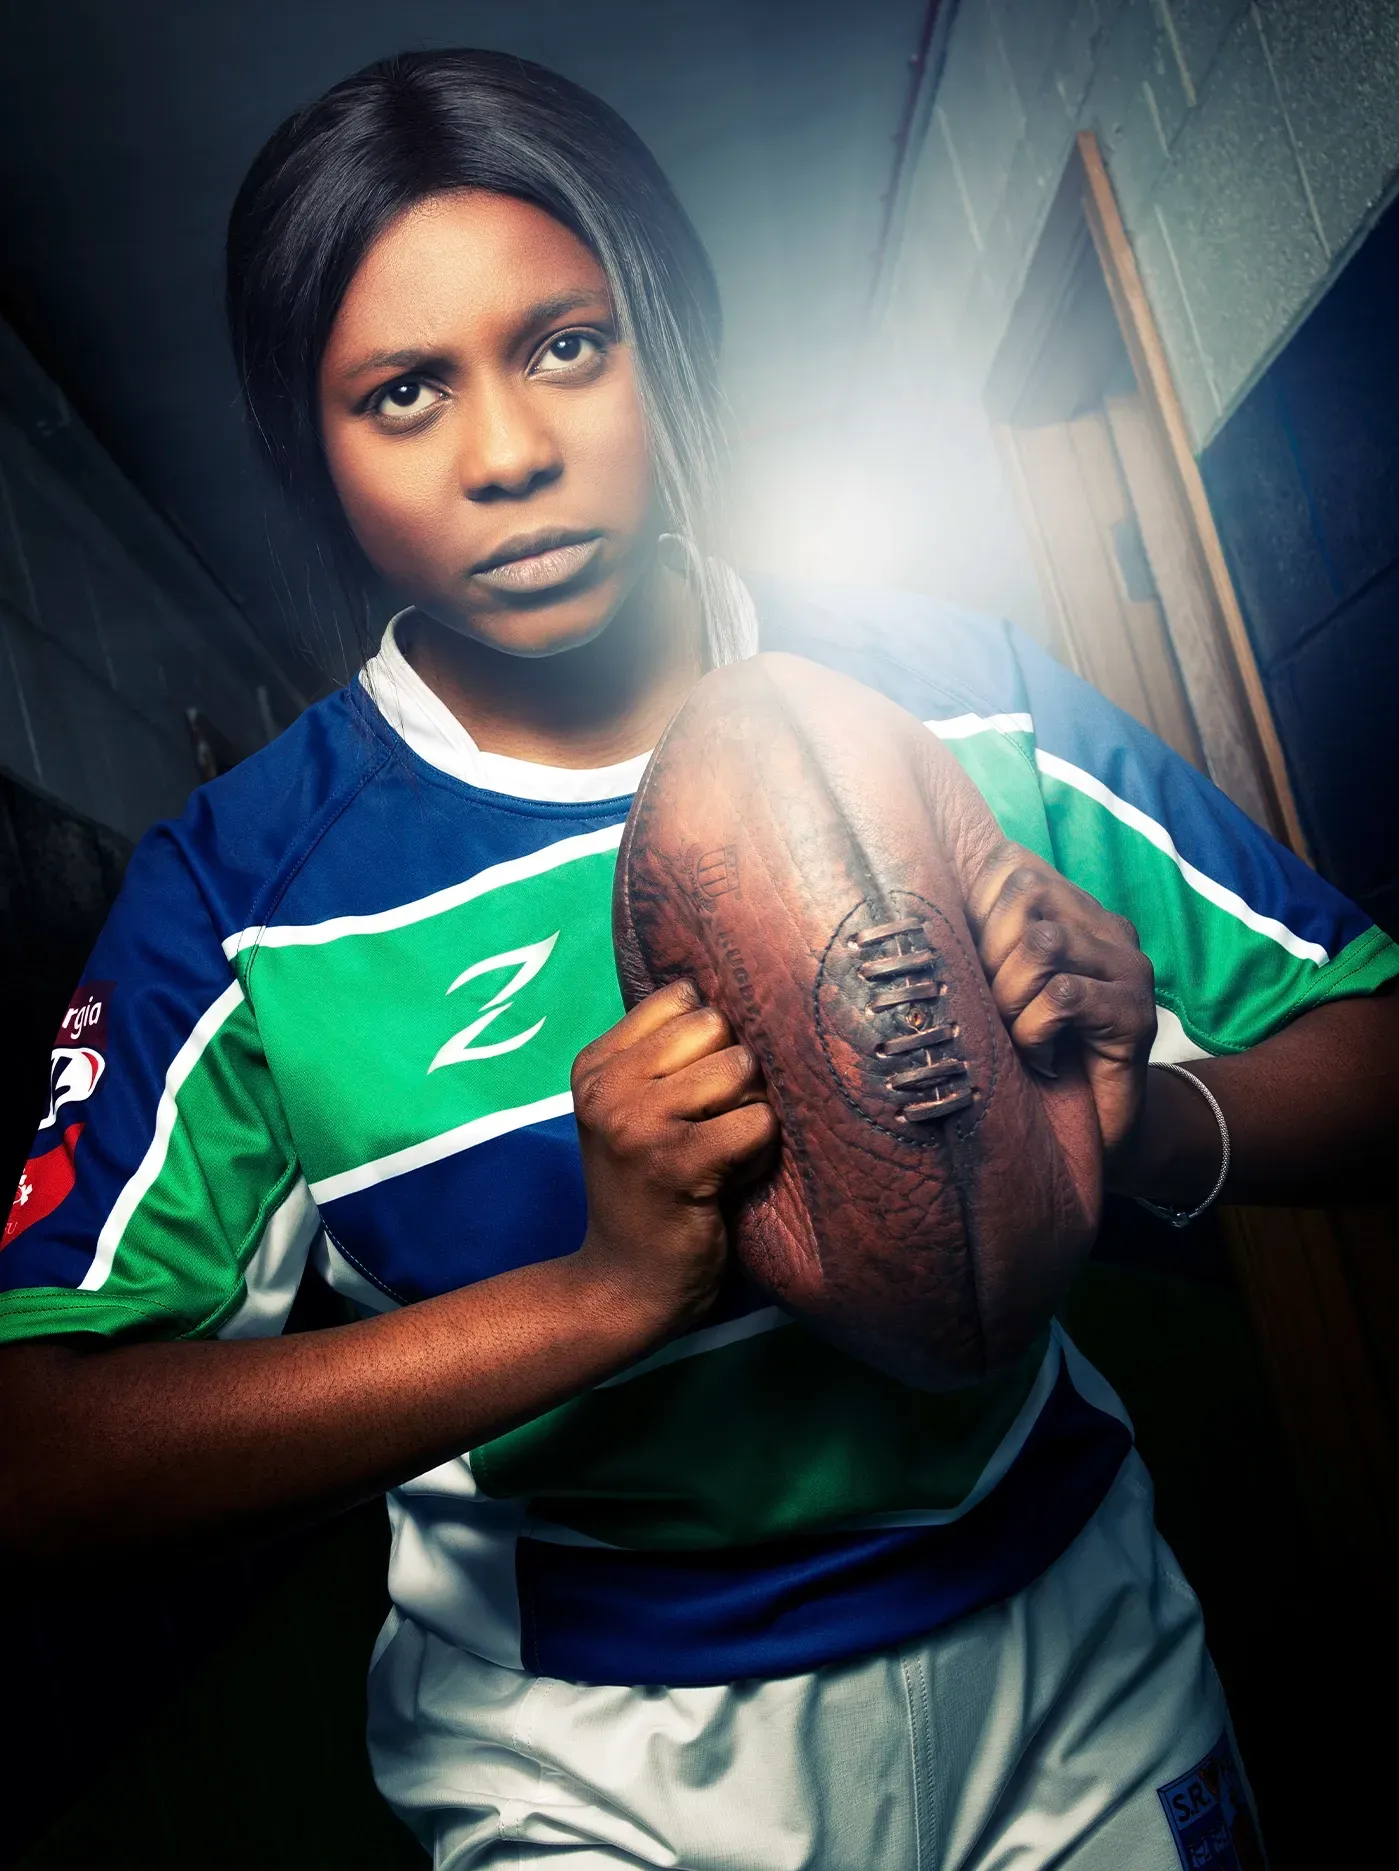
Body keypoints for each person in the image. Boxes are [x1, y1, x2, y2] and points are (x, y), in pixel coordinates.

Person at [1, 49, 1395, 1871]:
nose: (507, 453)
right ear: (311, 451)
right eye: (402, 391)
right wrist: (598, 1291)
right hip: (591, 1759)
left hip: (1069, 1655)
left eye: (566, 344)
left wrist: (1126, 1129)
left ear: (663, 335)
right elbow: (43, 1454)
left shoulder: (953, 692)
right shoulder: (245, 889)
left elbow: (1367, 1048)